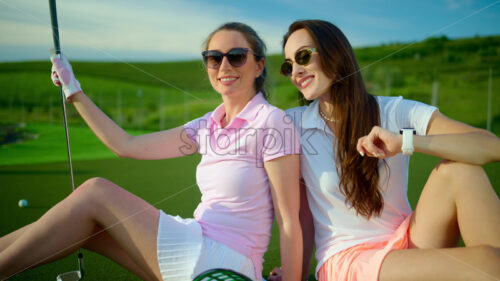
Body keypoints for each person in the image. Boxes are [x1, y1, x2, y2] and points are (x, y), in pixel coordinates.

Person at [0, 22, 303, 281]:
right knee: (88, 228)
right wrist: (73, 90)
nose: (224, 66)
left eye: (236, 56)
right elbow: (125, 145)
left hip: (226, 262)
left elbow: (289, 219)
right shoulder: (206, 126)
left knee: (96, 192)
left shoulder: (272, 122)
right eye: (213, 57)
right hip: (198, 240)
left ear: (259, 65)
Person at [270, 19, 500, 281]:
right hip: (349, 260)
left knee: (460, 170)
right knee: (490, 263)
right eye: (288, 65)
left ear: (335, 52)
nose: (296, 71)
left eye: (303, 56)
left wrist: (406, 142)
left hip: (407, 239)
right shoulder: (292, 124)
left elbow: (491, 145)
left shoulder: (394, 110)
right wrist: (293, 275)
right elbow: (301, 218)